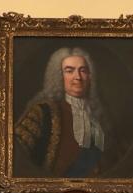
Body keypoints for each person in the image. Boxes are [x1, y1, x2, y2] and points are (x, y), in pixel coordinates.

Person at [14, 48, 112, 178]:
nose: (78, 77)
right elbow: (16, 156)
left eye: (83, 70)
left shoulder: (99, 117)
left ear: (90, 76)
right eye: (69, 71)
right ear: (59, 76)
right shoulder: (41, 112)